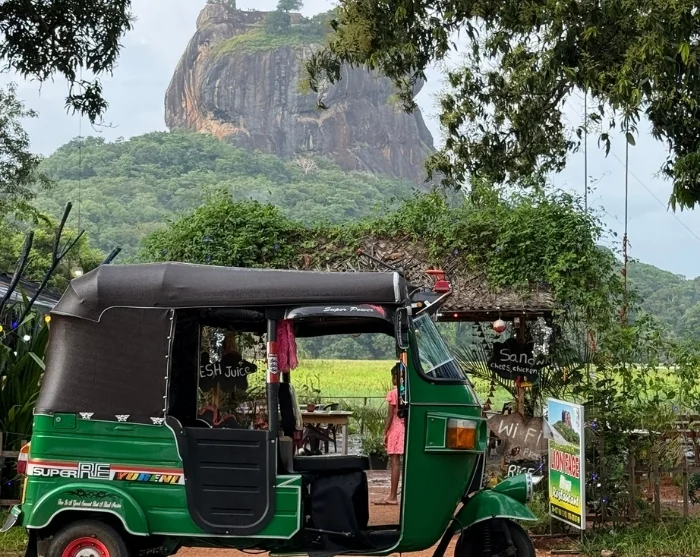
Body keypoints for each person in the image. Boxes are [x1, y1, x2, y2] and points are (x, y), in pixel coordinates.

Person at [382, 363, 405, 505]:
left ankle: (392, 496)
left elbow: (390, 417)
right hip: (406, 429)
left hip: (396, 430)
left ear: (397, 377)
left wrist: (384, 432)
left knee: (395, 463)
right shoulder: (408, 393)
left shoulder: (393, 394)